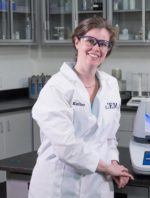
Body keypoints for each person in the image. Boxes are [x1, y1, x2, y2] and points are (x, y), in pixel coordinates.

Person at [28, 16, 134, 198]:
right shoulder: (56, 87)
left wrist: (113, 164)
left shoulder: (110, 85)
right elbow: (67, 147)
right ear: (77, 42)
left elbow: (109, 138)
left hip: (97, 185)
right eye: (91, 41)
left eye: (103, 44)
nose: (96, 48)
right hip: (58, 186)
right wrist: (107, 167)